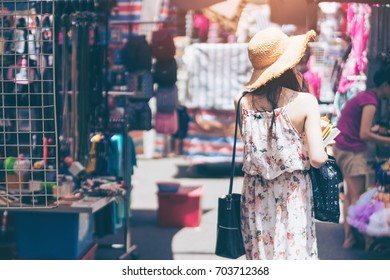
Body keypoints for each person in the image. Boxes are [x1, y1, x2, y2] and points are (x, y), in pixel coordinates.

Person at [235, 27, 328, 260]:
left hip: (255, 194)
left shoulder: (242, 102)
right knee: (293, 256)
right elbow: (318, 159)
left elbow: (251, 144)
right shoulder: (305, 102)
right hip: (292, 193)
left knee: (262, 256)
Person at [333, 66, 390, 249]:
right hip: (352, 151)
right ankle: (367, 239)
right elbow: (364, 133)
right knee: (357, 196)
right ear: (385, 85)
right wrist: (387, 140)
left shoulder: (364, 97)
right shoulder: (371, 101)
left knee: (350, 195)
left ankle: (350, 239)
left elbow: (361, 128)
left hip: (343, 148)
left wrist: (376, 132)